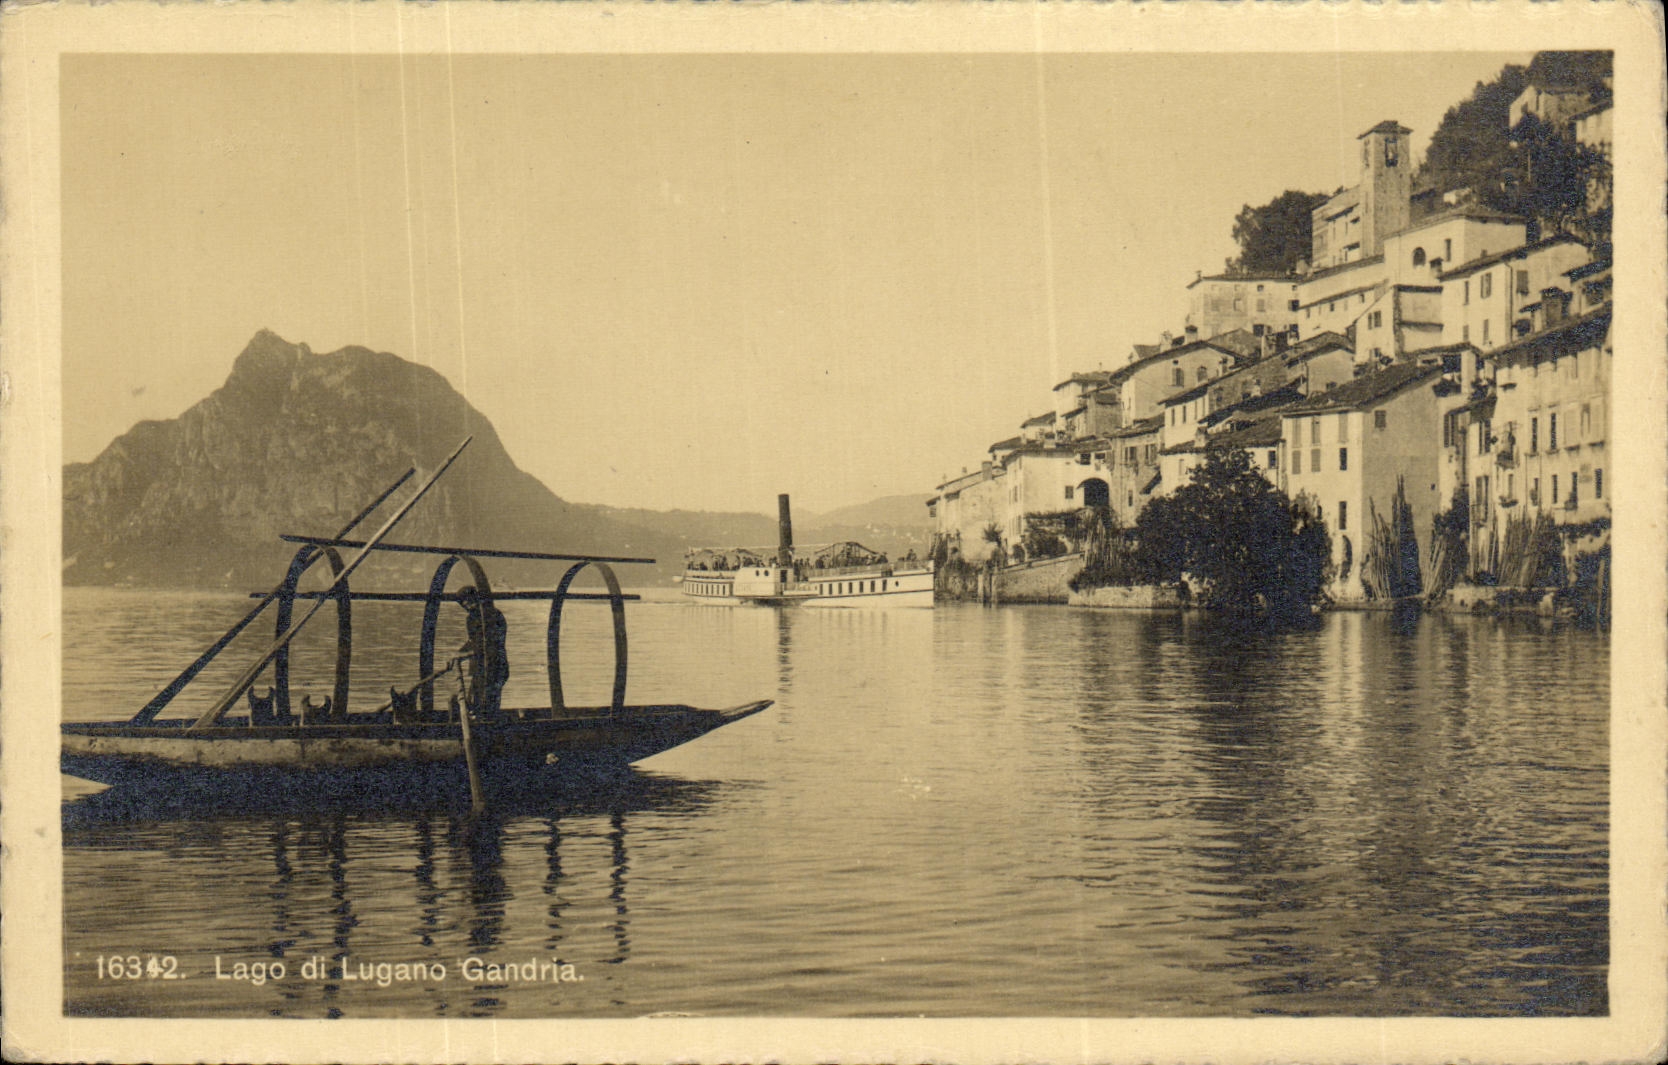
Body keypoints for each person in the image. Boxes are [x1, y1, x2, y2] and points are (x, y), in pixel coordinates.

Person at [456, 586, 509, 720]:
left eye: (468, 601)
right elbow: (472, 641)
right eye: (463, 604)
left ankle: (487, 728)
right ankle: (479, 721)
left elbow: (493, 643)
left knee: (489, 702)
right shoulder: (471, 619)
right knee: (474, 702)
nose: (467, 605)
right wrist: (458, 653)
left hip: (495, 667)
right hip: (479, 669)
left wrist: (469, 653)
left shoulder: (494, 616)